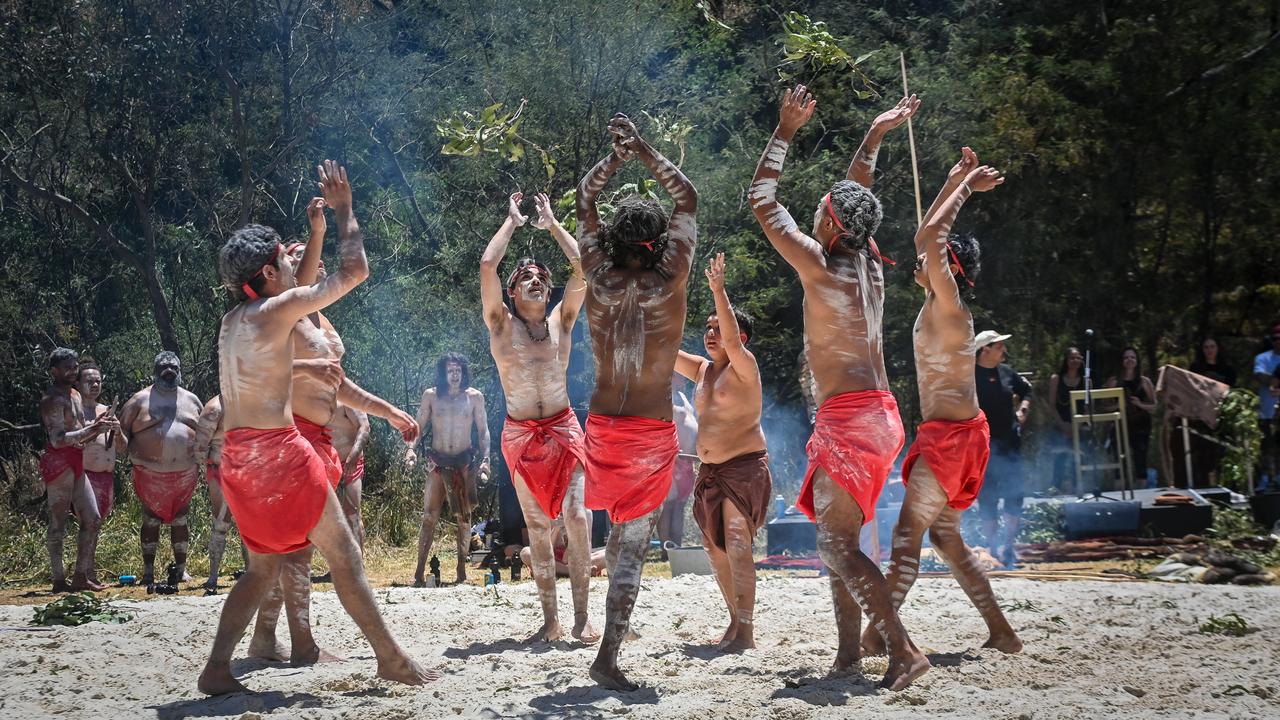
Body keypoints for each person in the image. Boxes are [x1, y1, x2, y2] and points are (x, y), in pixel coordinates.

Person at [198, 159, 432, 695]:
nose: (290, 263)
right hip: (280, 454)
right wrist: (346, 210)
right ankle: (392, 659)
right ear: (268, 274)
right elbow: (353, 274)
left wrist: (314, 234)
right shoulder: (272, 314)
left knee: (260, 570)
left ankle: (217, 668)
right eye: (285, 257)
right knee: (345, 557)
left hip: (238, 456)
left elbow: (299, 300)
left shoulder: (235, 321)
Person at [748, 85, 928, 690]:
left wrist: (785, 131)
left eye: (822, 207)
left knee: (834, 544)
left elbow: (762, 200)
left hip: (851, 418)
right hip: (880, 414)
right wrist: (875, 134)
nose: (820, 210)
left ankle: (903, 650)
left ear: (828, 221)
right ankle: (850, 653)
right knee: (840, 538)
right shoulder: (869, 256)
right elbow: (859, 195)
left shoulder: (820, 265)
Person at [862, 146, 1021, 656]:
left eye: (932, 262)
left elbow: (930, 238)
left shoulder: (950, 306)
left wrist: (966, 189)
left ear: (948, 269)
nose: (918, 263)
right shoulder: (941, 303)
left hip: (952, 439)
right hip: (956, 434)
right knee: (945, 537)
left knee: (907, 539)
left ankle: (875, 635)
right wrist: (955, 178)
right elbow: (925, 238)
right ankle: (1001, 631)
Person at [248, 206, 422, 663]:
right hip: (292, 436)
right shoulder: (278, 316)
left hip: (319, 438)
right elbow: (262, 373)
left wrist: (388, 412)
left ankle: (269, 638)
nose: (314, 263)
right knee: (301, 548)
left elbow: (337, 383)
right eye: (302, 258)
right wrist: (322, 228)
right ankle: (302, 643)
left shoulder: (317, 322)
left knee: (289, 547)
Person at [576, 113, 697, 691]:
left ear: (613, 240)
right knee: (631, 546)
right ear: (658, 244)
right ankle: (607, 654)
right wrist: (644, 148)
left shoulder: (595, 274)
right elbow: (689, 198)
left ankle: (604, 651)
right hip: (649, 433)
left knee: (617, 534)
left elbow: (584, 197)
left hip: (601, 426)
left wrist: (616, 159)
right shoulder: (671, 278)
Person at [480, 189, 598, 643]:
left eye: (541, 277)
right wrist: (512, 221)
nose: (536, 281)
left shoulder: (561, 322)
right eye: (526, 276)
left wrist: (551, 224)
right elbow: (488, 265)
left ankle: (583, 617)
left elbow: (583, 266)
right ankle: (550, 621)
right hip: (521, 433)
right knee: (535, 527)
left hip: (565, 429)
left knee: (578, 518)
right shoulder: (500, 324)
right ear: (512, 291)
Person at [673, 253, 771, 652]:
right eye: (707, 328)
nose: (711, 334)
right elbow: (664, 351)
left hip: (743, 468)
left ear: (739, 337)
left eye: (719, 328)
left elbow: (731, 340)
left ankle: (746, 630)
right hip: (709, 472)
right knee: (715, 551)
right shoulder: (701, 370)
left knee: (736, 539)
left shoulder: (745, 366)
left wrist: (718, 290)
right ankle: (735, 620)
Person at [119, 351, 203, 588]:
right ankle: (148, 572)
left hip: (185, 473)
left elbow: (205, 433)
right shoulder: (139, 401)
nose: (169, 371)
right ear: (155, 371)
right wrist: (119, 440)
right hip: (150, 473)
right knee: (151, 520)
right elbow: (122, 436)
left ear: (180, 370)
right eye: (164, 367)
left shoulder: (192, 400)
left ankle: (182, 571)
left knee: (181, 520)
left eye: (174, 367)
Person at [407, 353, 489, 585]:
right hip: (438, 462)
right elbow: (418, 427)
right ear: (444, 373)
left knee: (464, 519)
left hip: (463, 463)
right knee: (429, 517)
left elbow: (483, 431)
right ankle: (418, 573)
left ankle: (461, 573)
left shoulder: (474, 398)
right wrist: (410, 449)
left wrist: (486, 459)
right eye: (450, 371)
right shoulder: (431, 396)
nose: (454, 375)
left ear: (463, 372)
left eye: (458, 370)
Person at [38, 348, 116, 592]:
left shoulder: (74, 394)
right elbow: (57, 440)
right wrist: (92, 430)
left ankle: (81, 576)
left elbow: (81, 432)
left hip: (77, 461)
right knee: (58, 521)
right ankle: (58, 579)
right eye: (67, 368)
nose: (72, 371)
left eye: (74, 367)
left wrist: (97, 427)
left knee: (92, 518)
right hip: (59, 464)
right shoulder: (52, 400)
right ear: (54, 371)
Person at [974, 331, 1032, 564]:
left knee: (1014, 494)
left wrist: (1023, 410)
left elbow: (1026, 390)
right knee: (987, 497)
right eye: (999, 347)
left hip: (1010, 445)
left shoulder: (1007, 372)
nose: (1004, 351)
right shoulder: (968, 376)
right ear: (985, 349)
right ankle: (993, 547)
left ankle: (1009, 546)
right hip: (982, 448)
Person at [194, 393, 243, 595]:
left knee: (249, 527)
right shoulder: (215, 408)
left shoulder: (254, 401)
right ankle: (213, 576)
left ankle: (253, 574)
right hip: (220, 471)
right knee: (221, 523)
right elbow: (199, 447)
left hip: (249, 473)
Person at [76, 358, 125, 530]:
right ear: (78, 384)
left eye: (98, 381)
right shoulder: (74, 412)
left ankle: (89, 558)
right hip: (84, 479)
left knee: (97, 526)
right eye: (89, 381)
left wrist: (118, 432)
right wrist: (95, 430)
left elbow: (122, 448)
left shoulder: (106, 410)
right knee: (88, 524)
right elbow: (71, 445)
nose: (95, 385)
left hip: (106, 479)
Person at [658, 375, 699, 549]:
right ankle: (666, 550)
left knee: (680, 506)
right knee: (668, 506)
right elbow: (658, 425)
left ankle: (677, 548)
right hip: (672, 460)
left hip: (689, 461)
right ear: (672, 375)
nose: (685, 377)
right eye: (681, 374)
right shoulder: (663, 396)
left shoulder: (682, 397)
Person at [1106, 347, 1156, 484]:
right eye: (1126, 357)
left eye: (1132, 357)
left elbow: (1154, 406)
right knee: (1119, 460)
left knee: (1140, 459)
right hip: (1119, 424)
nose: (1129, 360)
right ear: (1122, 361)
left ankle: (1142, 497)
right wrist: (1118, 405)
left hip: (1141, 425)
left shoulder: (1145, 382)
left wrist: (1140, 404)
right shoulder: (1114, 381)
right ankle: (1119, 496)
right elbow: (1104, 407)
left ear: (1137, 361)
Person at [330, 402, 370, 549]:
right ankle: (339, 567)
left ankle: (358, 566)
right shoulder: (317, 398)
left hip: (351, 463)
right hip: (328, 464)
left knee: (352, 512)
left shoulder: (348, 399)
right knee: (331, 517)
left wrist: (353, 455)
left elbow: (364, 426)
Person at [1047, 347, 1085, 490]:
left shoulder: (1086, 381)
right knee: (1059, 458)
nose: (1075, 361)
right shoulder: (1056, 379)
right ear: (1066, 360)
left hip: (1079, 426)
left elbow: (1088, 407)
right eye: (1072, 358)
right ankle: (1055, 488)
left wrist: (1077, 426)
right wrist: (1063, 425)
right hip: (1060, 425)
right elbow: (1051, 405)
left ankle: (1078, 489)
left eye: (1078, 358)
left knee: (1078, 457)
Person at [519, 521, 608, 578]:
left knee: (605, 554)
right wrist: (557, 527)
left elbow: (574, 556)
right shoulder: (546, 513)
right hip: (548, 559)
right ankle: (571, 572)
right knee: (525, 552)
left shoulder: (582, 514)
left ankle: (563, 572)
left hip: (573, 561)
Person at [1253, 326, 1280, 483]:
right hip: (1267, 412)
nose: (1279, 342)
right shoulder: (1263, 358)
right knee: (1267, 448)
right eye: (1276, 339)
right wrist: (1274, 383)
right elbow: (1259, 376)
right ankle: (1266, 480)